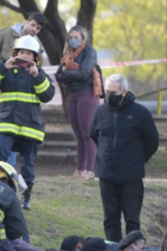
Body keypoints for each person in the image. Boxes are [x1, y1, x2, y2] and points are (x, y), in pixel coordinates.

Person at [0, 35, 54, 211]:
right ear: (15, 53)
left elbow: (47, 96)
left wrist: (37, 76)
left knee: (27, 164)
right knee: (0, 154)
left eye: (29, 53)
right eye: (21, 52)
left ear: (35, 57)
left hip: (30, 127)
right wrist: (2, 67)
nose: (25, 56)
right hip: (7, 122)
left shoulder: (39, 74)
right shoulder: (5, 70)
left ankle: (25, 196)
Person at [90, 74, 159, 242]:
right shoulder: (100, 112)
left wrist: (137, 159)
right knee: (110, 219)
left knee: (132, 219)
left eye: (114, 92)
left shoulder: (139, 113)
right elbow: (94, 135)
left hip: (131, 176)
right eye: (107, 91)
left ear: (124, 92)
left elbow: (152, 141)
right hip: (106, 175)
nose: (109, 95)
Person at [0, 13, 45, 166]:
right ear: (25, 22)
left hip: (18, 99)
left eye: (38, 28)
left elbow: (37, 71)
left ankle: (9, 169)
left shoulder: (38, 45)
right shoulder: (4, 34)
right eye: (33, 25)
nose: (34, 29)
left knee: (14, 131)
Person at [56, 25, 103, 181]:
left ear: (83, 38)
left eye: (76, 37)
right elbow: (58, 75)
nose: (73, 40)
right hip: (73, 94)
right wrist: (69, 74)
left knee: (87, 133)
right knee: (78, 135)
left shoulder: (90, 52)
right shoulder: (67, 54)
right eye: (71, 38)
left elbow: (84, 73)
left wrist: (66, 74)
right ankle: (79, 168)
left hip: (87, 94)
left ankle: (90, 169)